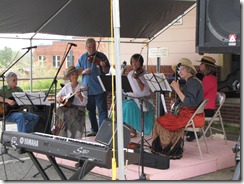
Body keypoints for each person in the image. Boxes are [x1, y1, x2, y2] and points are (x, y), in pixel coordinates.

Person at [151, 58, 204, 159]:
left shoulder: (192, 82)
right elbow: (187, 100)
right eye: (178, 70)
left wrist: (177, 89)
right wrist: (177, 103)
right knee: (165, 118)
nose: (179, 72)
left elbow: (189, 103)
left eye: (181, 69)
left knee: (161, 120)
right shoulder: (192, 81)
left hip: (192, 116)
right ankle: (168, 148)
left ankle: (168, 150)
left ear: (188, 69)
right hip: (192, 114)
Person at [76, 38, 110, 136]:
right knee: (91, 110)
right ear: (86, 47)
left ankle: (102, 132)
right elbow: (77, 71)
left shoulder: (101, 56)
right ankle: (94, 129)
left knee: (102, 111)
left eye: (93, 46)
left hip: (100, 88)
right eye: (89, 47)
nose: (91, 49)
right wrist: (84, 71)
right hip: (87, 89)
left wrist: (102, 65)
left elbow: (107, 71)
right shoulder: (82, 57)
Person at [186, 56, 217, 142]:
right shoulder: (209, 78)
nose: (200, 65)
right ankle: (190, 132)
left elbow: (200, 93)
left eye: (201, 64)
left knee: (187, 110)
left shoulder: (208, 78)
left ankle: (192, 133)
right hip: (206, 108)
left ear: (206, 66)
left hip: (207, 109)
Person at [51, 66, 88, 139]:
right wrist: (60, 98)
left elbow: (85, 103)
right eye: (72, 74)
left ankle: (61, 133)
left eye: (76, 74)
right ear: (69, 77)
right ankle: (61, 133)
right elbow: (57, 97)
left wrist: (80, 96)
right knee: (57, 109)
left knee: (61, 111)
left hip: (79, 110)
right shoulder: (66, 87)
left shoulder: (83, 87)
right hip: (68, 108)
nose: (75, 76)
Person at [122, 54, 154, 138]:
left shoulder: (146, 74)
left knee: (128, 106)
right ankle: (129, 129)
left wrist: (137, 79)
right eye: (132, 62)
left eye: (136, 62)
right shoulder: (130, 74)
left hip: (144, 101)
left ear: (141, 63)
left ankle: (133, 130)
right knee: (122, 105)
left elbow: (145, 91)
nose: (134, 64)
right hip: (133, 98)